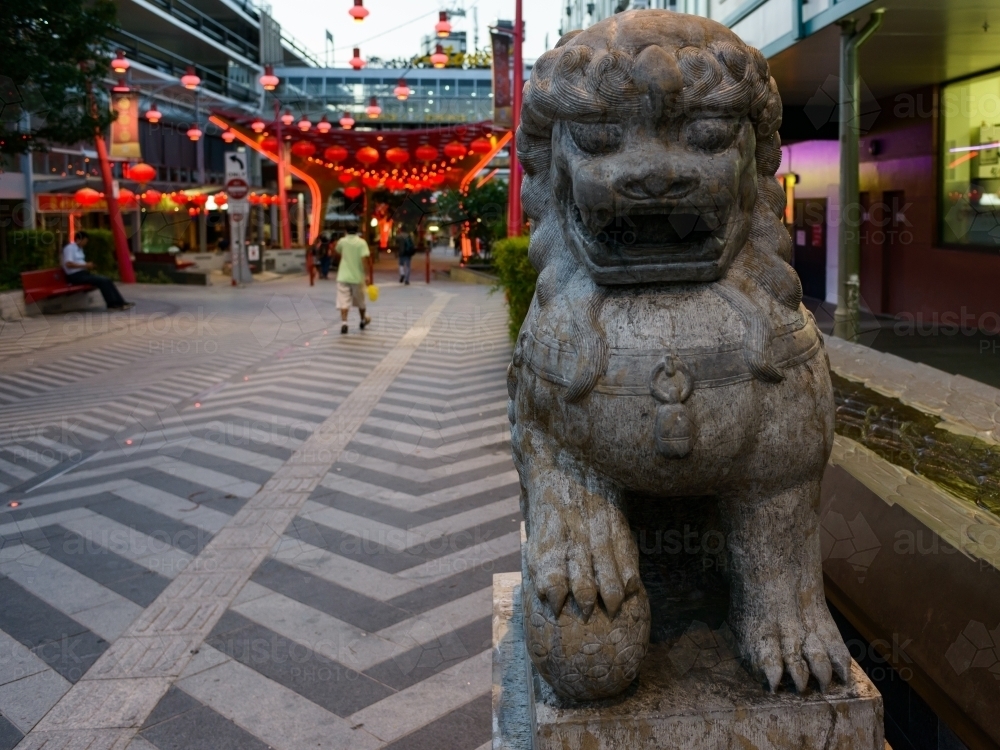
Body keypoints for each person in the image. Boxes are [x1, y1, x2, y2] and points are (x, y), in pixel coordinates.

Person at [61, 231, 134, 311]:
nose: (85, 243)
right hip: (75, 276)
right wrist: (85, 265)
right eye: (85, 241)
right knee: (102, 281)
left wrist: (89, 265)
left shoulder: (80, 249)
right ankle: (112, 304)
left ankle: (120, 302)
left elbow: (79, 262)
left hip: (83, 274)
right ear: (79, 239)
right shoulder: (70, 248)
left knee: (107, 280)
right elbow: (68, 264)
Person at [335, 227, 371, 334]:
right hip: (357, 277)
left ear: (346, 231)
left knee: (343, 301)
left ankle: (344, 323)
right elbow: (364, 259)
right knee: (361, 301)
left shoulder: (342, 241)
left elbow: (336, 251)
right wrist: (366, 275)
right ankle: (363, 320)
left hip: (343, 276)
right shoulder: (362, 243)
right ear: (357, 231)